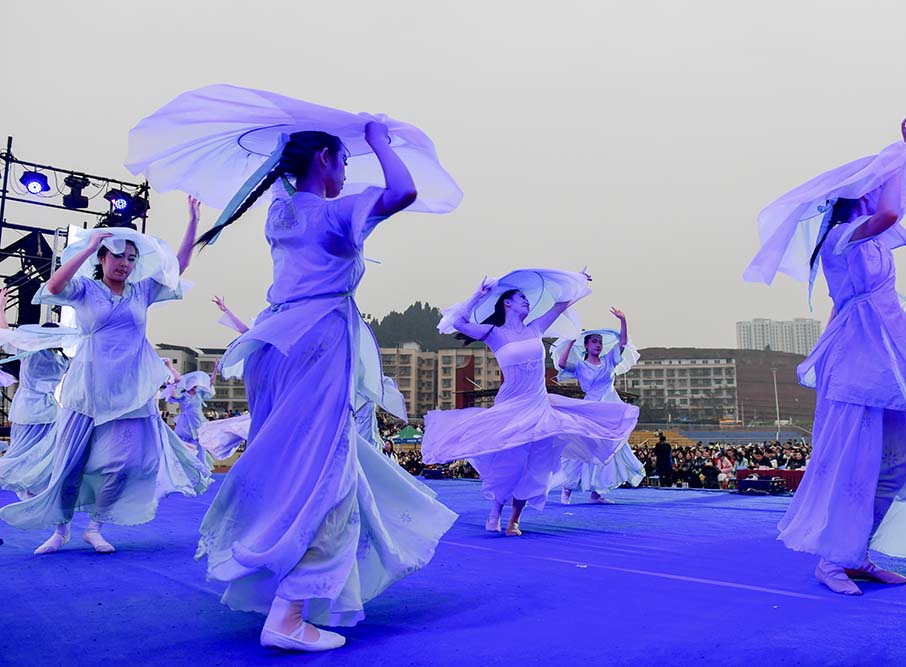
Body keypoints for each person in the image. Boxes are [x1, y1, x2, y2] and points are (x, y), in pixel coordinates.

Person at [195, 124, 458, 652]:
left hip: (274, 343)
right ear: (322, 158)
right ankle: (288, 616)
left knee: (287, 463)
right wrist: (379, 138)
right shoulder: (333, 213)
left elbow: (280, 184)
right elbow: (403, 192)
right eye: (343, 162)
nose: (346, 173)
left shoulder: (281, 213)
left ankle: (279, 586)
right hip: (316, 342)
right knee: (323, 472)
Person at [746, 115, 906, 595]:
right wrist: (904, 153)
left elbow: (890, 217)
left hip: (883, 356)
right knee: (853, 461)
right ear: (852, 201)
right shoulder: (845, 237)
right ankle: (832, 561)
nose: (877, 194)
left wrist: (901, 164)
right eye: (870, 188)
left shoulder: (872, 239)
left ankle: (856, 553)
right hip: (858, 359)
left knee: (899, 460)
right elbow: (889, 212)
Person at [0, 202, 213, 555]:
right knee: (69, 465)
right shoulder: (85, 289)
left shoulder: (141, 291)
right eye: (117, 256)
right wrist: (84, 246)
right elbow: (53, 286)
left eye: (131, 257)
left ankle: (96, 526)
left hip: (129, 391)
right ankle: (60, 531)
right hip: (86, 390)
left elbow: (179, 266)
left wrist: (192, 221)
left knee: (123, 463)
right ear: (101, 259)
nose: (124, 263)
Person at [421, 271, 639, 536]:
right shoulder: (494, 332)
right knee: (509, 460)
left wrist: (576, 280)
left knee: (534, 464)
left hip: (537, 406)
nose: (527, 301)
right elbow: (458, 322)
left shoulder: (536, 327)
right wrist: (478, 294)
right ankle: (495, 511)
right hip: (511, 406)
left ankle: (514, 519)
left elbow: (562, 304)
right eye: (521, 297)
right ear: (507, 303)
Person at [553, 309, 645, 503]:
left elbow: (622, 343)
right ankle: (567, 488)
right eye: (594, 342)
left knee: (609, 450)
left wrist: (623, 320)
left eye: (600, 342)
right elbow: (561, 364)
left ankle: (597, 493)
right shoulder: (580, 365)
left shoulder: (609, 361)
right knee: (581, 448)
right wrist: (571, 340)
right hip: (590, 411)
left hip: (609, 411)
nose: (598, 345)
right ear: (586, 345)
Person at [0, 290, 72, 498]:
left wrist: (1, 308)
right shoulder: (63, 361)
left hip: (27, 408)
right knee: (44, 452)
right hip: (49, 410)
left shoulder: (30, 354)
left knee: (22, 450)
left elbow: (4, 332)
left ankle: (27, 487)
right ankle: (36, 489)